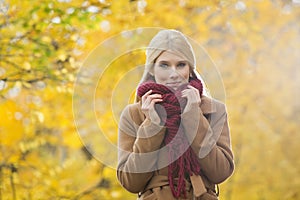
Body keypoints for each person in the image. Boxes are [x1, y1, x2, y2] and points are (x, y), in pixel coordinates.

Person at [117, 29, 234, 200]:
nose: (174, 74)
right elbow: (131, 182)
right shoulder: (134, 114)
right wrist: (152, 125)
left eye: (181, 64)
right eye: (164, 65)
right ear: (152, 70)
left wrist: (194, 117)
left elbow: (220, 173)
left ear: (190, 69)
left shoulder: (214, 110)